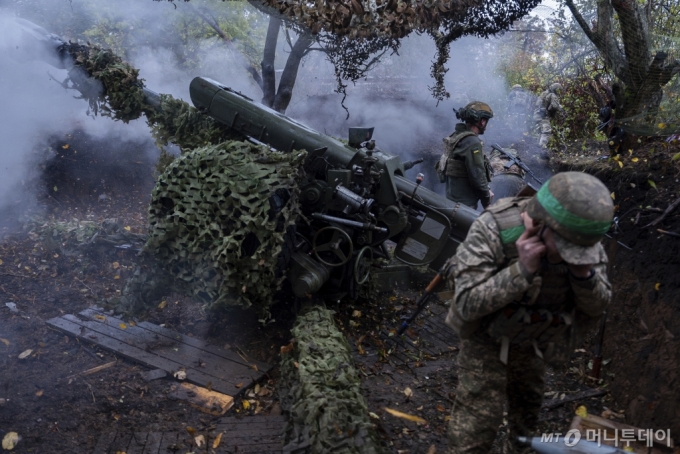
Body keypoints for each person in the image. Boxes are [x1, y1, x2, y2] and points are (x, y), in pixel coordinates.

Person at [443, 171, 614, 454]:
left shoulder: (581, 236)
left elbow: (598, 305)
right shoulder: (494, 228)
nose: (572, 256)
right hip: (486, 338)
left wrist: (583, 276)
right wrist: (521, 271)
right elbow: (466, 303)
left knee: (527, 413)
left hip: (533, 340)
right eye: (566, 249)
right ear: (539, 223)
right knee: (476, 427)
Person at [435, 101, 494, 209]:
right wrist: (487, 202)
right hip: (464, 206)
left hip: (451, 199)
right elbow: (477, 176)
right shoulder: (472, 142)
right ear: (482, 121)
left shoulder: (457, 136)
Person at [534, 83, 565, 148]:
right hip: (543, 115)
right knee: (546, 130)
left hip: (536, 114)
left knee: (539, 131)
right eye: (558, 90)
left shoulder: (543, 93)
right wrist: (561, 110)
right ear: (555, 89)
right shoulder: (552, 94)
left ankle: (536, 148)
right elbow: (555, 106)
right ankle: (542, 147)